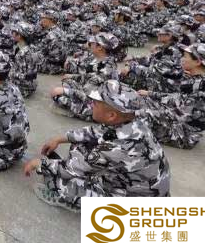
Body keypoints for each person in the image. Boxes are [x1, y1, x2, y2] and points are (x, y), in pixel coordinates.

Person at [24, 80, 171, 212]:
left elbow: (69, 170)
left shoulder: (115, 148)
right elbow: (96, 132)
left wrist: (40, 164)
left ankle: (69, 200)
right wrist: (60, 139)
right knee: (80, 146)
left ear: (111, 115)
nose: (91, 104)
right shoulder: (135, 122)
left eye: (95, 103)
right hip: (146, 192)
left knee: (56, 180)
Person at [140, 43, 205, 149]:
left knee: (138, 113)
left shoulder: (200, 84)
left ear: (198, 62)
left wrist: (151, 106)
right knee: (143, 100)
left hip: (183, 134)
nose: (182, 59)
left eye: (185, 57)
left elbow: (180, 113)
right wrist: (150, 94)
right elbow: (178, 97)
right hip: (184, 123)